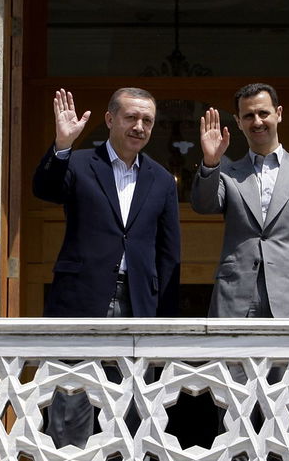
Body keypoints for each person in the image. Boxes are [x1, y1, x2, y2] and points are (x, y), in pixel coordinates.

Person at [33, 87, 181, 447]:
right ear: (110, 119)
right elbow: (45, 189)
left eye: (147, 120)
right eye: (131, 117)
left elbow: (169, 253)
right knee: (72, 406)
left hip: (138, 304)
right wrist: (62, 145)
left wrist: (167, 320)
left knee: (132, 409)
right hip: (80, 301)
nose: (139, 126)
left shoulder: (161, 179)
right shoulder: (80, 163)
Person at [192, 82, 289, 318]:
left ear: (278, 114)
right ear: (239, 122)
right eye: (248, 116)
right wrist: (211, 161)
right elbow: (203, 205)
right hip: (236, 298)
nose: (257, 122)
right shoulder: (228, 172)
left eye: (263, 113)